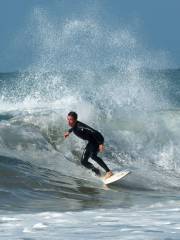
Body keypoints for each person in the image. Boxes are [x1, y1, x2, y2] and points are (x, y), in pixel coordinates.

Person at [64, 111, 113, 179]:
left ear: (75, 120)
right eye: (68, 119)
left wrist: (101, 143)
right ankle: (97, 172)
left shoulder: (81, 127)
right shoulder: (75, 125)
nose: (69, 121)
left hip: (96, 140)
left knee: (93, 156)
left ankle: (108, 172)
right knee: (84, 161)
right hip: (91, 142)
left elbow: (95, 133)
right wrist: (68, 132)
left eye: (71, 119)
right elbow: (73, 128)